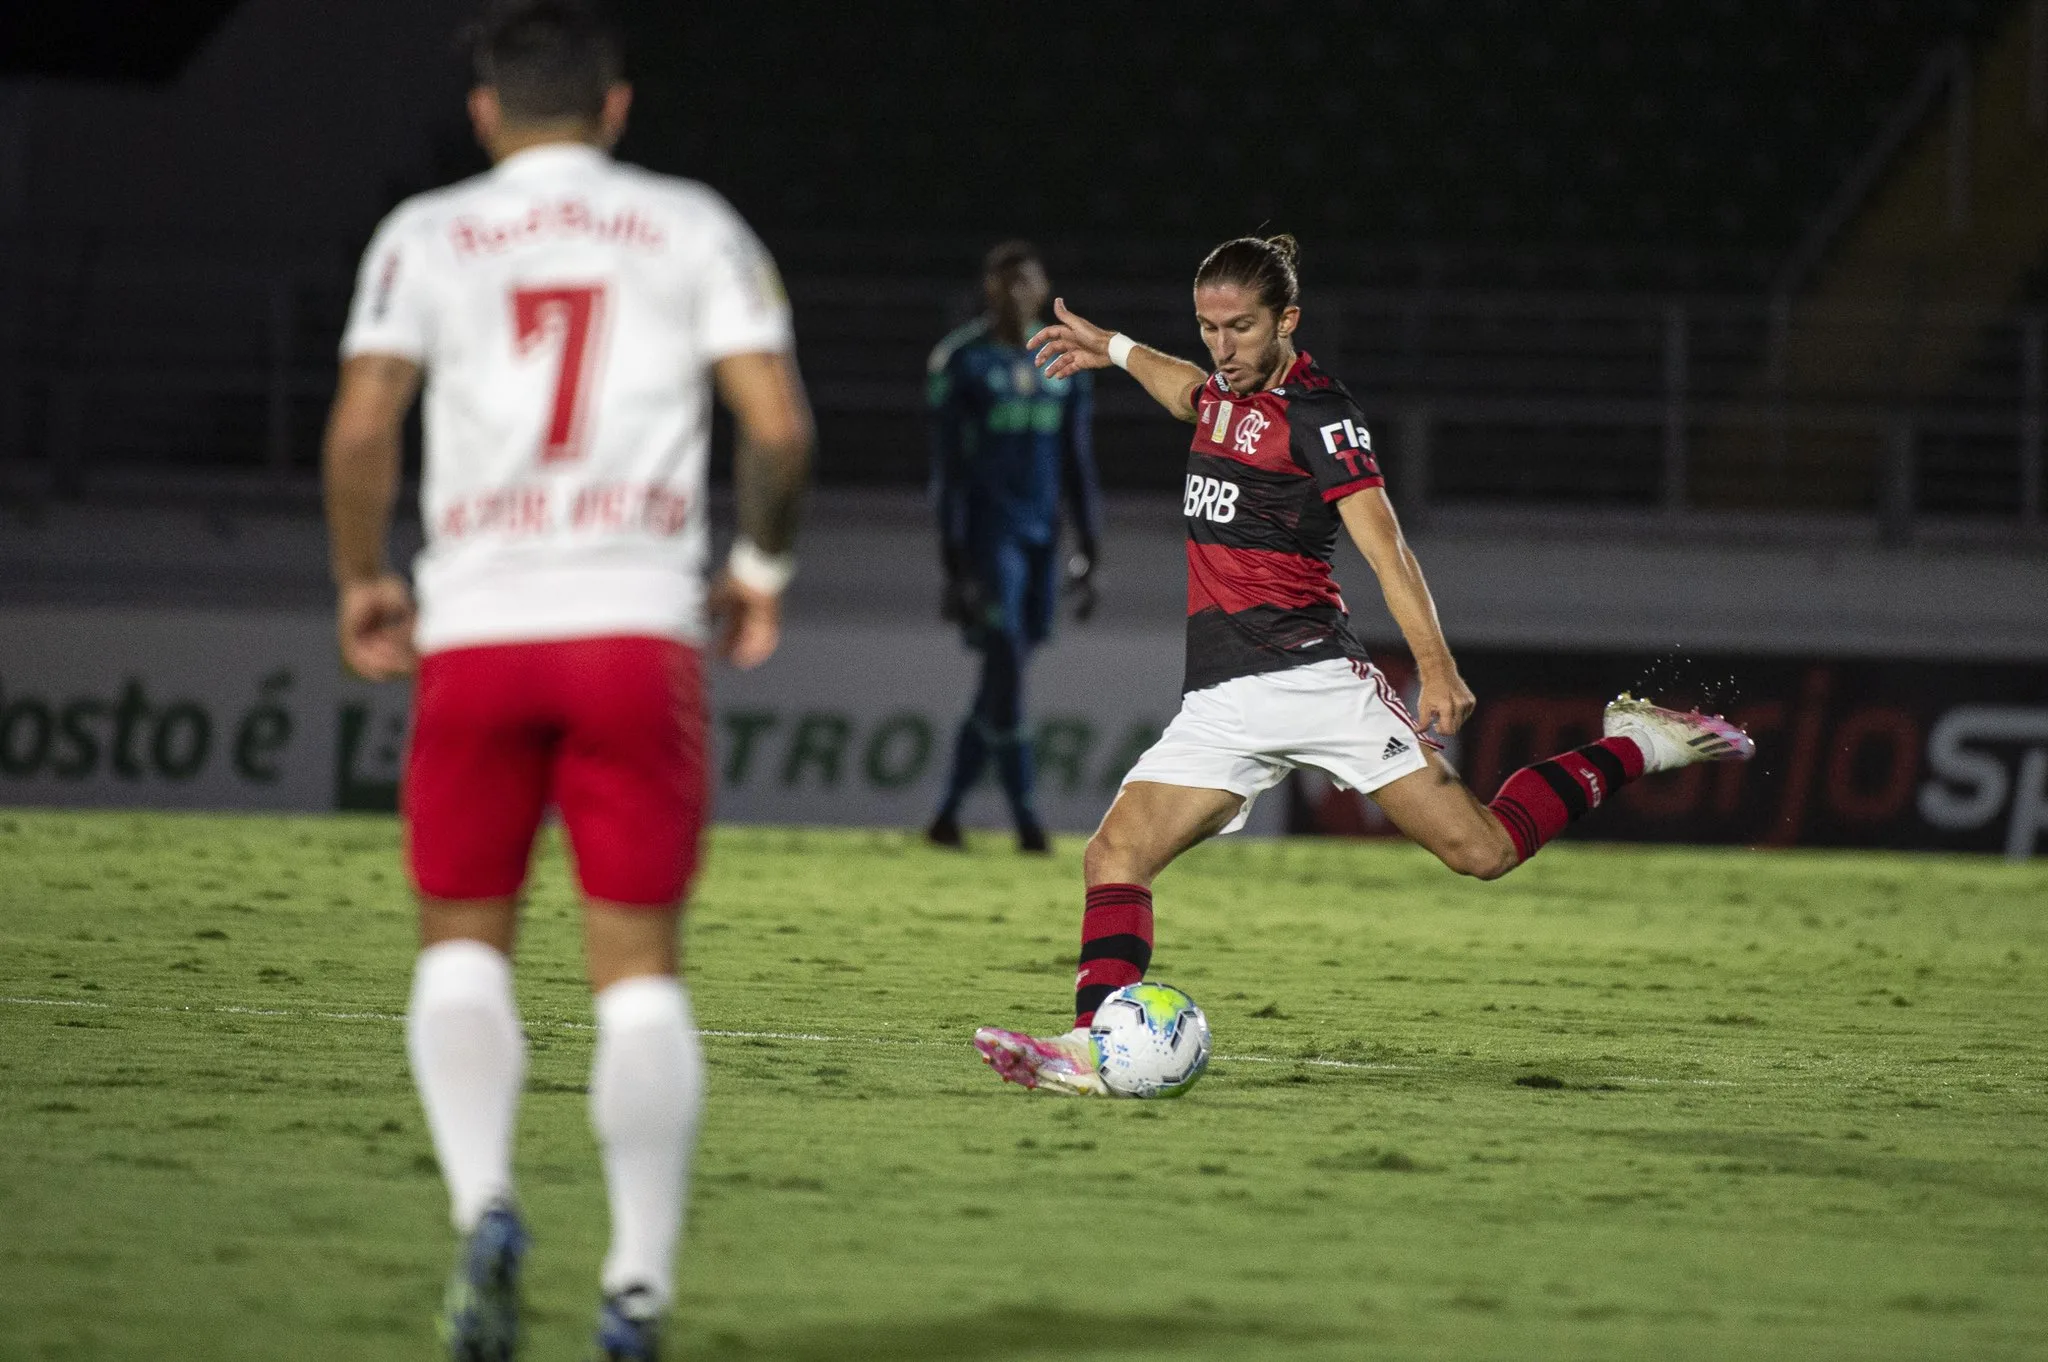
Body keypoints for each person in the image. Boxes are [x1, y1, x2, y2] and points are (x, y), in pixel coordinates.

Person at [971, 234, 1752, 1095]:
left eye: (1240, 327)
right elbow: (1188, 394)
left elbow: (1387, 548)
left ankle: (1636, 742)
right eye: (1207, 327)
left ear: (1288, 321)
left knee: (1482, 853)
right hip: (1222, 699)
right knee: (1114, 854)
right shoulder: (1225, 392)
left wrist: (1436, 665)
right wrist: (1115, 351)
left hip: (1315, 683)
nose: (1221, 347)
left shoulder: (1320, 412)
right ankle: (1092, 1047)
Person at [321, 3, 812, 1356]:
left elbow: (363, 425)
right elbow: (778, 427)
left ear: (485, 114)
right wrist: (759, 573)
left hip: (475, 632)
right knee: (639, 975)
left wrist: (366, 577)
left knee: (461, 948)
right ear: (614, 109)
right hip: (632, 632)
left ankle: (486, 1202)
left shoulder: (423, 235)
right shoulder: (691, 223)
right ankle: (636, 1286)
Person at [924, 241, 1104, 854]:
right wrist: (954, 563)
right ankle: (1027, 818)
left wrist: (1091, 545)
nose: (1017, 295)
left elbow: (1078, 459)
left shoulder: (1062, 360)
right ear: (988, 289)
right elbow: (946, 472)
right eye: (1005, 284)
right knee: (1006, 664)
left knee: (1004, 676)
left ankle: (948, 812)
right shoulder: (961, 361)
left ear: (1043, 288)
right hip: (988, 540)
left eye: (1027, 283)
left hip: (1042, 543)